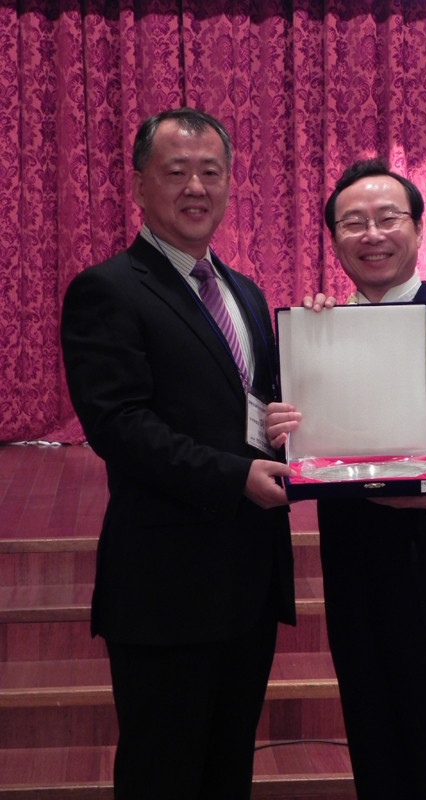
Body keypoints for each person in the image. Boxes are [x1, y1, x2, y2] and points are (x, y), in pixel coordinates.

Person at [60, 108, 297, 800]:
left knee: (228, 770)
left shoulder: (245, 291)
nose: (196, 187)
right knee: (162, 774)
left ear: (229, 184)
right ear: (139, 185)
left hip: (247, 580)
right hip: (167, 589)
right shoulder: (107, 289)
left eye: (211, 172)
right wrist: (235, 476)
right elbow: (118, 426)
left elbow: (256, 405)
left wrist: (304, 393)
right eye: (176, 172)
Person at [267, 159, 426, 800]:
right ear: (334, 239)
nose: (372, 235)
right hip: (353, 553)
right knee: (374, 719)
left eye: (388, 218)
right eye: (353, 223)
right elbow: (288, 426)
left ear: (418, 227)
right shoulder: (315, 332)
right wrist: (279, 419)